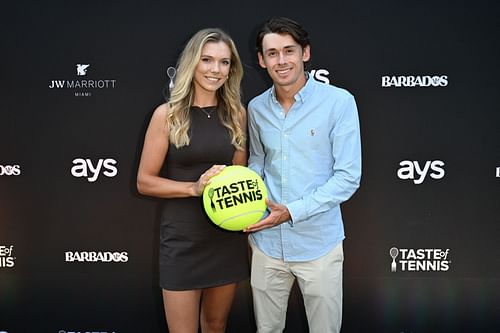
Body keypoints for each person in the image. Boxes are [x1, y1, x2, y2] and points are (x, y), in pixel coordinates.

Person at [244, 17, 362, 333]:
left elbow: (348, 177)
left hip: (318, 246)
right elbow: (257, 161)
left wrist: (292, 212)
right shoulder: (255, 108)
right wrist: (248, 195)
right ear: (261, 60)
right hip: (266, 244)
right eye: (272, 53)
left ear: (305, 53)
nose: (281, 61)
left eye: (289, 51)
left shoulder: (339, 102)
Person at [136, 28, 248, 333]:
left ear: (231, 69)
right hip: (182, 239)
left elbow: (240, 175)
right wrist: (193, 188)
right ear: (192, 64)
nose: (215, 69)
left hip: (226, 236)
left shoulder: (237, 114)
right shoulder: (168, 115)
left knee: (215, 325)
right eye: (207, 60)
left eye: (224, 62)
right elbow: (144, 181)